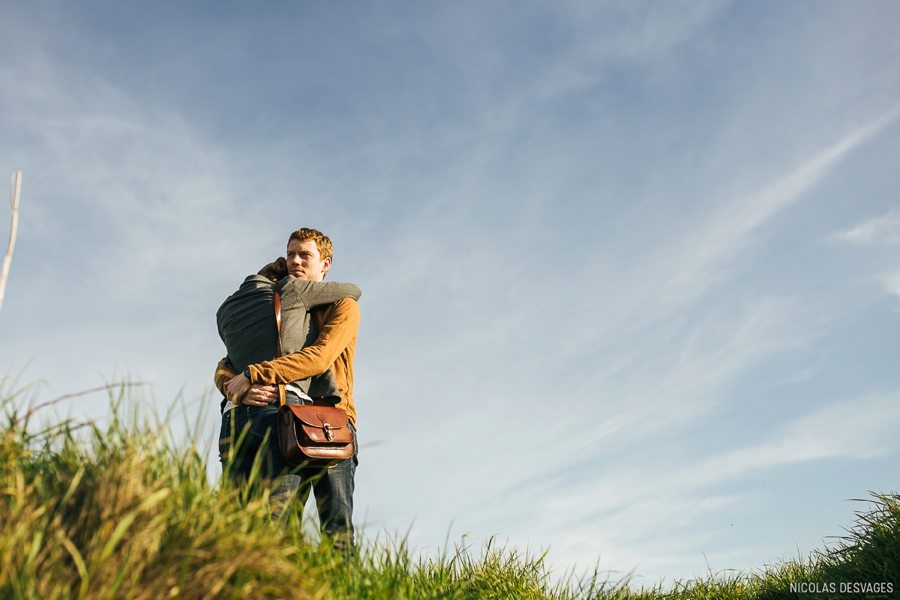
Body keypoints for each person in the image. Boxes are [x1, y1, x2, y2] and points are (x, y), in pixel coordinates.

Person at [216, 227, 361, 550]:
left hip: (330, 422)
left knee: (337, 528)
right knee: (280, 523)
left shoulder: (340, 306)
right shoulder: (282, 303)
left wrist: (256, 374)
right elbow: (228, 363)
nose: (294, 260)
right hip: (286, 417)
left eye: (304, 255)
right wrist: (232, 385)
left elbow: (320, 357)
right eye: (291, 253)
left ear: (325, 264)